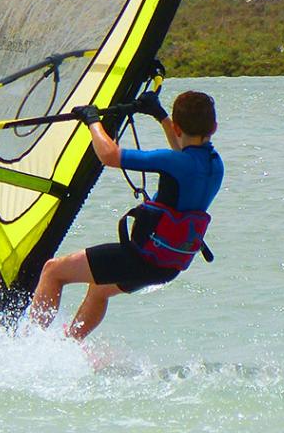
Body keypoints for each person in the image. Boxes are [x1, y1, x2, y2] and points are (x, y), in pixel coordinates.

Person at [27, 90, 224, 340]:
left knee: (53, 271)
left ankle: (29, 344)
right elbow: (185, 153)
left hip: (142, 258)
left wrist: (92, 121)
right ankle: (68, 347)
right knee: (99, 290)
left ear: (177, 127)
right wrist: (160, 114)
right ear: (214, 127)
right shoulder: (215, 165)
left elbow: (109, 155)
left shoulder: (173, 161)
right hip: (168, 266)